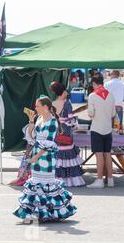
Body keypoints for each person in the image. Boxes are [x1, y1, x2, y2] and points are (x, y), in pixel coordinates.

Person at [13, 95, 77, 224]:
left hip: (46, 158)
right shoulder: (39, 119)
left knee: (45, 185)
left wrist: (36, 157)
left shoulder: (52, 122)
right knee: (37, 185)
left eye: (38, 106)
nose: (35, 108)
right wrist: (31, 121)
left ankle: (47, 212)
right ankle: (39, 213)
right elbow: (31, 136)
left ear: (46, 107)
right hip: (37, 155)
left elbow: (49, 143)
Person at [50, 81, 86, 187]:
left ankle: (57, 180)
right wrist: (76, 123)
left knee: (58, 157)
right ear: (63, 92)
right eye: (66, 90)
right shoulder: (67, 103)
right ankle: (71, 181)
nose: (67, 92)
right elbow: (71, 119)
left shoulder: (52, 103)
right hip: (66, 132)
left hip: (56, 132)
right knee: (68, 156)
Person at [87, 72, 117, 188]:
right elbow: (113, 113)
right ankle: (110, 179)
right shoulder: (111, 94)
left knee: (99, 155)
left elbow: (91, 113)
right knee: (108, 154)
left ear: (94, 83)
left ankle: (99, 180)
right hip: (108, 128)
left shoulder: (92, 95)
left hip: (96, 128)